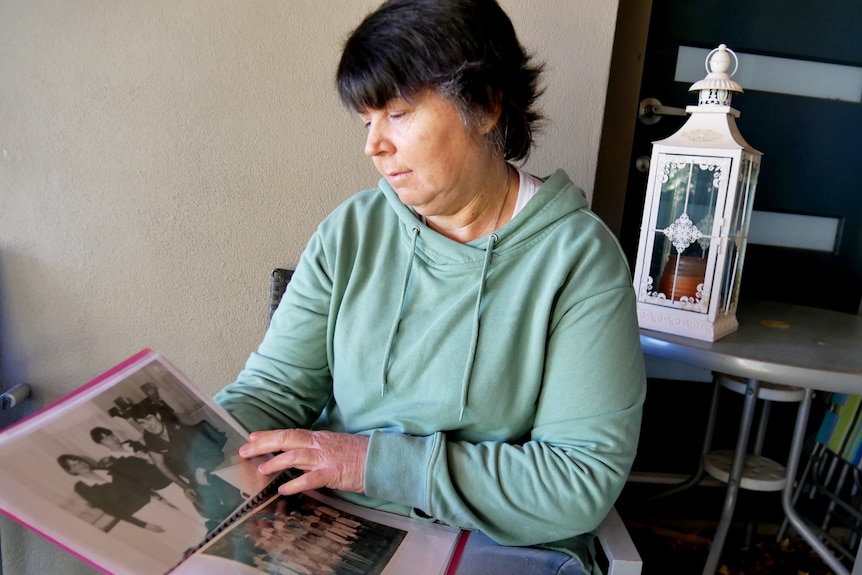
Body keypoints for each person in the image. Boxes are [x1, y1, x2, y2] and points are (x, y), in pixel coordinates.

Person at [214, 0, 646, 572]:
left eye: (397, 113)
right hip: (327, 519)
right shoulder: (352, 231)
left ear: (488, 105)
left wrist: (369, 463)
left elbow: (576, 481)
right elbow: (272, 393)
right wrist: (197, 439)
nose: (374, 145)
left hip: (488, 542)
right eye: (367, 120)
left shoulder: (579, 261)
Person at [126, 401, 245, 531]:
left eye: (149, 419)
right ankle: (235, 529)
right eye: (142, 423)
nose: (148, 425)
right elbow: (160, 465)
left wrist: (201, 469)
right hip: (194, 477)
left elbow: (215, 453)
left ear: (157, 416)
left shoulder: (182, 429)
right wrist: (184, 486)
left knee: (232, 502)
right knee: (208, 512)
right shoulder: (149, 437)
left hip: (214, 468)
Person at [57, 454, 165, 532]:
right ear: (71, 471)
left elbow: (136, 484)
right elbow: (111, 510)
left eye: (79, 461)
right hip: (141, 515)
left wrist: (159, 498)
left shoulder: (105, 470)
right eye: (74, 465)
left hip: (154, 503)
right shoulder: (83, 488)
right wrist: (144, 525)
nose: (81, 465)